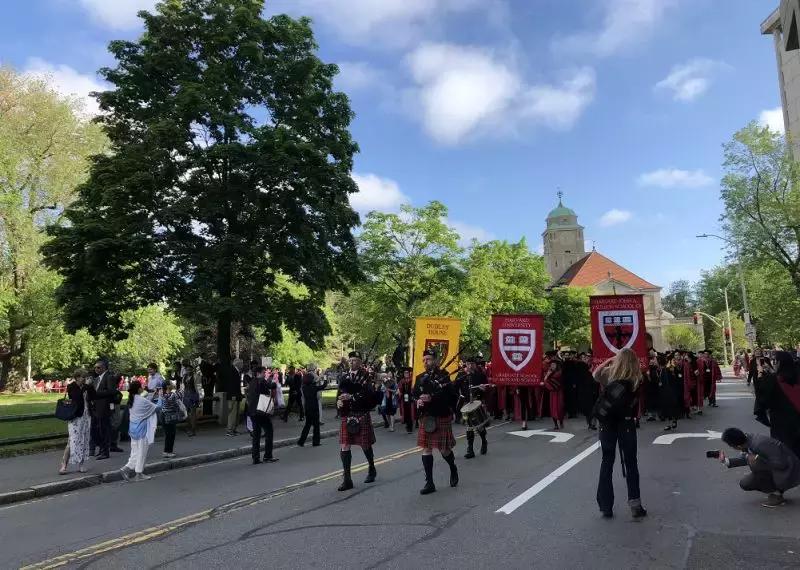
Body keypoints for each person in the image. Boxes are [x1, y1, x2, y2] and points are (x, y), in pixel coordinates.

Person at [593, 348, 647, 520]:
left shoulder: (608, 374)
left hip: (607, 424)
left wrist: (608, 361)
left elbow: (595, 374)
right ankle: (635, 505)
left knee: (606, 462)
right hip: (626, 423)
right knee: (631, 463)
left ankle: (606, 506)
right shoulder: (637, 378)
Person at [414, 349, 459, 495]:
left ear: (435, 360)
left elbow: (452, 397)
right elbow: (415, 395)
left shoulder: (444, 376)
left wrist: (432, 398)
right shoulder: (420, 377)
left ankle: (453, 467)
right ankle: (429, 482)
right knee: (426, 449)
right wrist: (419, 401)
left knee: (444, 450)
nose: (425, 362)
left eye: (428, 359)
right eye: (424, 360)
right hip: (427, 417)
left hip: (441, 416)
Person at [720, 427, 800, 508]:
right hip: (774, 468)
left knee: (756, 464)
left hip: (790, 471)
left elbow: (781, 464)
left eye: (730, 445)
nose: (731, 447)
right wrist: (725, 461)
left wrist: (757, 458)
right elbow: (747, 458)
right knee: (745, 484)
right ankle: (774, 488)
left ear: (737, 446)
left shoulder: (760, 444)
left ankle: (777, 494)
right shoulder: (746, 440)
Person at [337, 351, 379, 491]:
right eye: (351, 360)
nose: (352, 362)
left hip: (361, 412)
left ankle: (372, 468)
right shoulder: (344, 376)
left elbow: (369, 394)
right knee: (344, 445)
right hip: (347, 413)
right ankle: (347, 480)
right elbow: (340, 393)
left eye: (355, 360)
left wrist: (352, 397)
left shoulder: (366, 376)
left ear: (360, 362)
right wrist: (339, 402)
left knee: (365, 444)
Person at [754, 351, 800, 458]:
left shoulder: (773, 380)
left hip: (781, 423)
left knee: (785, 451)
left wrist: (760, 375)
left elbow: (762, 397)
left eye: (775, 361)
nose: (774, 363)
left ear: (779, 363)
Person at [120, 380, 161, 482]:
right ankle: (139, 473)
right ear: (139, 389)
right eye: (142, 386)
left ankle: (126, 468)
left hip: (133, 429)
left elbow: (146, 402)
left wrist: (150, 394)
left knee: (135, 451)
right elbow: (157, 408)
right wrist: (160, 396)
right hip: (142, 430)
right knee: (142, 451)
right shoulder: (141, 400)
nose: (143, 387)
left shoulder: (132, 399)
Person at [60, 369, 93, 474]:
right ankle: (64, 465)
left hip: (86, 416)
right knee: (72, 440)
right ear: (77, 377)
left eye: (86, 377)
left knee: (84, 440)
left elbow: (94, 396)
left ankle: (81, 464)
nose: (85, 379)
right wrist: (86, 387)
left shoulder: (86, 387)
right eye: (83, 377)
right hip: (76, 417)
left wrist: (90, 386)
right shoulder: (72, 386)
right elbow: (76, 398)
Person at [90, 360, 122, 460]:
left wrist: (97, 394)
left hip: (104, 407)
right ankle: (102, 449)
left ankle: (105, 452)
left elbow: (112, 391)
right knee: (96, 430)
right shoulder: (97, 379)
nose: (96, 369)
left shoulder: (109, 377)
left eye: (98, 367)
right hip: (96, 407)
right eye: (95, 367)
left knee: (104, 430)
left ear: (104, 367)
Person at [246, 366, 278, 464]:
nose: (265, 374)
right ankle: (267, 456)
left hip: (252, 411)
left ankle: (255, 457)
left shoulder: (252, 382)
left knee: (256, 434)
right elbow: (271, 386)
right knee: (269, 431)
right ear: (259, 373)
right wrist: (272, 381)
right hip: (261, 411)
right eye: (264, 372)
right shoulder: (262, 381)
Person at [459, 357, 489, 459]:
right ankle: (470, 449)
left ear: (475, 365)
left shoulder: (480, 376)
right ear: (465, 365)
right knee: (469, 427)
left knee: (479, 426)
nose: (470, 366)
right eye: (468, 364)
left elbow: (487, 388)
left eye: (472, 364)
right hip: (467, 404)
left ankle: (484, 441)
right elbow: (454, 388)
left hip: (477, 403)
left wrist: (483, 388)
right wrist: (460, 396)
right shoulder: (461, 376)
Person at [298, 367, 328, 447]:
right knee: (316, 426)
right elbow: (324, 385)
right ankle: (316, 442)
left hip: (307, 408)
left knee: (307, 425)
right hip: (314, 408)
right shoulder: (314, 387)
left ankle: (301, 441)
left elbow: (314, 382)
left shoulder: (304, 387)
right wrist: (325, 378)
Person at [576, 352, 599, 430]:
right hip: (585, 390)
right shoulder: (580, 366)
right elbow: (582, 378)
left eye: (586, 357)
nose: (585, 359)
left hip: (593, 389)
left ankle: (592, 424)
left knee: (593, 407)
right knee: (588, 408)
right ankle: (590, 423)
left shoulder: (592, 365)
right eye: (583, 358)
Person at [160, 381, 181, 458]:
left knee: (168, 434)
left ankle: (167, 451)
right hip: (170, 415)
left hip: (163, 415)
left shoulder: (162, 394)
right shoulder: (173, 395)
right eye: (171, 384)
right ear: (168, 386)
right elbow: (176, 404)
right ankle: (168, 451)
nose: (173, 385)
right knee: (171, 434)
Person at [544, 360, 565, 430]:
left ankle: (561, 422)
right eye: (551, 365)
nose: (552, 366)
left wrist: (547, 378)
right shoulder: (549, 373)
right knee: (552, 408)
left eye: (554, 365)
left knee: (559, 407)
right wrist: (547, 375)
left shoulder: (559, 373)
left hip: (558, 392)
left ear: (557, 365)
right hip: (552, 393)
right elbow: (546, 381)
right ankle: (555, 424)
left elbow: (548, 381)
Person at [225, 359, 244, 436]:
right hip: (233, 396)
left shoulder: (235, 371)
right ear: (237, 364)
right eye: (241, 364)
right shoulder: (232, 371)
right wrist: (233, 396)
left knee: (236, 414)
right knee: (232, 414)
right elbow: (231, 385)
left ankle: (233, 429)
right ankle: (229, 430)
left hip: (236, 395)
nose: (242, 365)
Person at [181, 362, 200, 436]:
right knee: (186, 412)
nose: (188, 371)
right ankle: (189, 427)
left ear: (192, 370)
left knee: (193, 413)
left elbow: (198, 387)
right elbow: (183, 387)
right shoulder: (184, 377)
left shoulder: (195, 376)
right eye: (187, 370)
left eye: (190, 370)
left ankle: (193, 430)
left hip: (193, 395)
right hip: (186, 395)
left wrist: (199, 397)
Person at [398, 367, 416, 434]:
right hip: (404, 399)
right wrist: (400, 393)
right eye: (405, 373)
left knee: (412, 412)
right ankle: (408, 425)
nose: (406, 374)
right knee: (406, 413)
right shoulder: (401, 381)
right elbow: (399, 389)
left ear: (409, 373)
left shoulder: (412, 380)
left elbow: (414, 388)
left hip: (411, 398)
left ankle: (410, 427)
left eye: (407, 373)